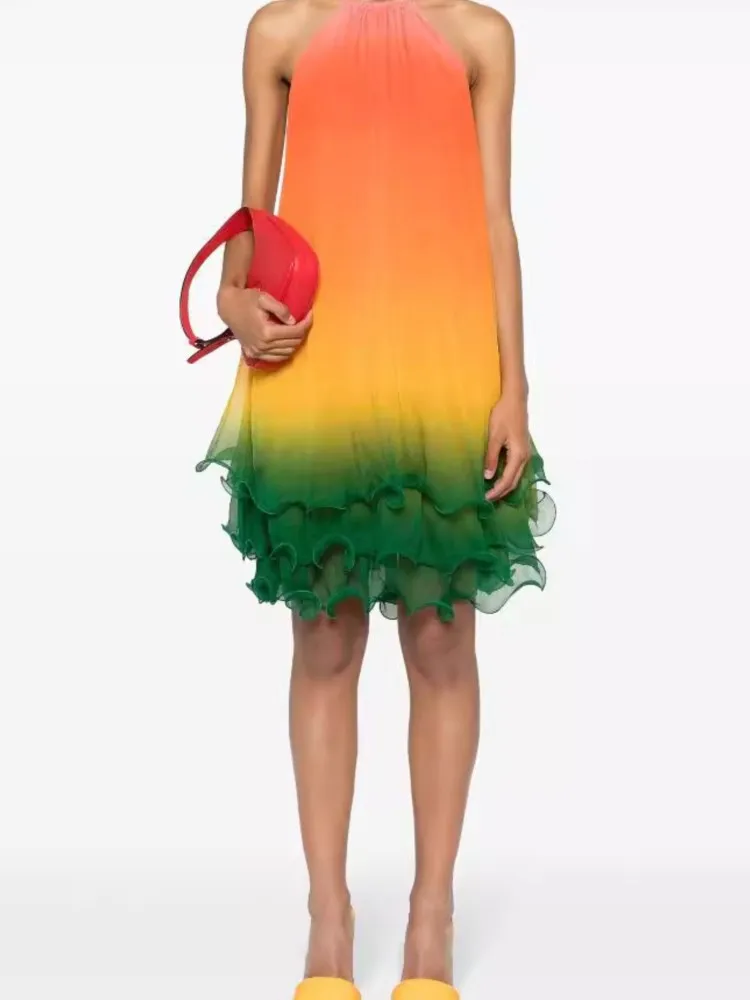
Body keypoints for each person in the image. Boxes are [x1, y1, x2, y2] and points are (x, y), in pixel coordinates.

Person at [195, 0, 555, 996]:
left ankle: (432, 917)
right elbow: (251, 224)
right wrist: (231, 302)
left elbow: (495, 219)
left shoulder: (480, 37)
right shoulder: (281, 32)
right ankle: (329, 917)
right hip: (319, 367)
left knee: (442, 638)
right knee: (323, 638)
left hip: (443, 363)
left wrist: (515, 387)